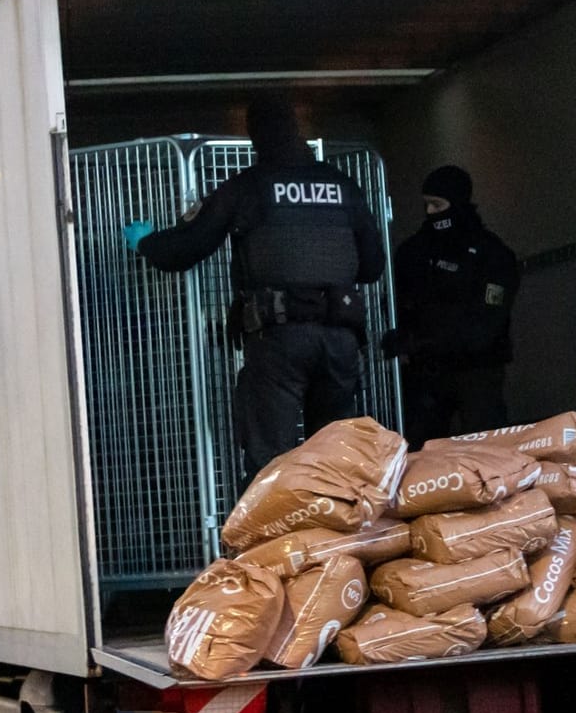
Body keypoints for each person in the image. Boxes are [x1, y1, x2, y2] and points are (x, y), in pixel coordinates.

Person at [125, 96, 385, 473]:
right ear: (297, 131)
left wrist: (147, 243)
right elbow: (372, 267)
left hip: (279, 342)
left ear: (255, 137)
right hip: (340, 339)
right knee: (337, 460)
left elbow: (188, 247)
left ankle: (277, 533)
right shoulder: (343, 186)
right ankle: (335, 531)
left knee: (271, 463)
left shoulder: (250, 187)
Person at [381, 165, 520, 442]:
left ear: (456, 203)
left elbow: (486, 325)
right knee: (420, 448)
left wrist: (421, 341)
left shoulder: (491, 254)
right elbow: (396, 302)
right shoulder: (414, 252)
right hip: (427, 372)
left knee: (487, 444)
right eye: (427, 205)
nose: (431, 212)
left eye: (437, 204)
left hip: (477, 369)